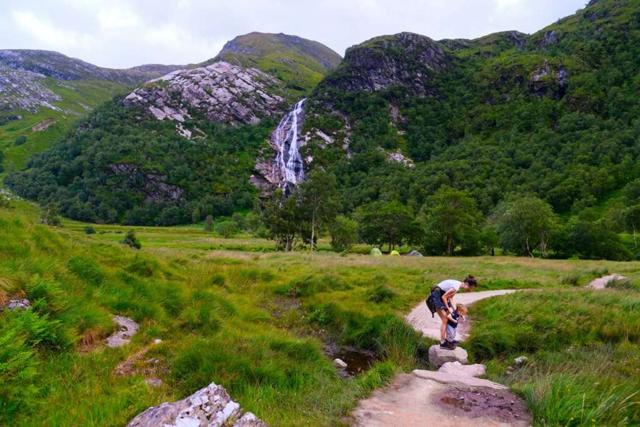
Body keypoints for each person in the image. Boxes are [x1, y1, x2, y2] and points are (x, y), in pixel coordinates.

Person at [427, 276, 477, 349]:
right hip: (437, 294)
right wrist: (448, 308)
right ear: (466, 283)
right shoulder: (455, 287)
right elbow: (444, 297)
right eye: (470, 287)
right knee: (445, 319)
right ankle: (442, 343)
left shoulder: (457, 287)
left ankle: (449, 340)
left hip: (441, 294)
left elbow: (450, 298)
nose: (470, 289)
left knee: (448, 318)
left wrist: (456, 311)